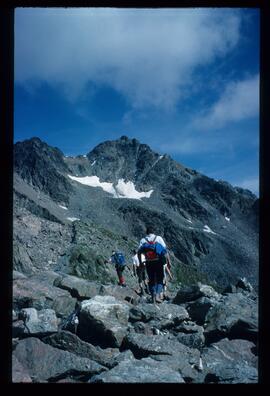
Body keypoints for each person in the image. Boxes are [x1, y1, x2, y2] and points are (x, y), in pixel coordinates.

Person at [137, 226, 168, 304]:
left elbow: (139, 252)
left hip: (148, 262)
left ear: (146, 232)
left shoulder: (143, 240)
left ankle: (153, 295)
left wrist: (141, 262)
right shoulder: (159, 238)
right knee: (160, 279)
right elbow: (164, 250)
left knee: (151, 280)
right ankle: (157, 295)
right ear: (153, 232)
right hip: (158, 261)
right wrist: (167, 261)